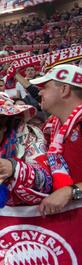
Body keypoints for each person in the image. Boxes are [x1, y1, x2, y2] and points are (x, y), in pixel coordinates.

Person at [28, 64, 82, 216]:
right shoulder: (51, 126)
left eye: (45, 86)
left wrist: (71, 191)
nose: (39, 92)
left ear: (64, 90)